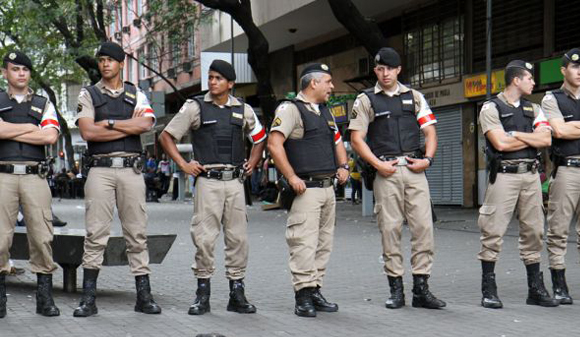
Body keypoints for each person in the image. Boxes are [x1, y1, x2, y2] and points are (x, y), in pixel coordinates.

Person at [159, 60, 266, 315]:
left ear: (231, 84)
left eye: (219, 78)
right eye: (211, 77)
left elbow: (260, 138)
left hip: (235, 182)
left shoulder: (243, 109)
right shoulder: (195, 107)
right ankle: (202, 294)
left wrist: (252, 161)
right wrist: (184, 165)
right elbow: (166, 136)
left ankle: (237, 294)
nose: (213, 81)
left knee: (238, 238)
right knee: (205, 238)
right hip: (208, 182)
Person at [349, 47, 445, 310]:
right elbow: (356, 138)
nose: (385, 73)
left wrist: (428, 159)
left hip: (415, 169)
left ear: (398, 69)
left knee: (424, 228)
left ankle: (421, 290)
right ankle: (396, 289)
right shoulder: (366, 100)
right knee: (390, 229)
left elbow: (430, 131)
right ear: (375, 71)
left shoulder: (414, 97)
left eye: (389, 68)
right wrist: (377, 164)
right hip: (386, 171)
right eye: (380, 69)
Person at [73, 42, 160, 317]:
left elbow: (146, 124)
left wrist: (108, 123)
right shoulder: (88, 94)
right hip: (100, 169)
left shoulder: (136, 93)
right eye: (101, 60)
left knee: (136, 233)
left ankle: (144, 297)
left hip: (131, 171)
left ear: (121, 63)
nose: (105, 64)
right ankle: (88, 298)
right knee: (95, 233)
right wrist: (125, 127)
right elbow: (88, 132)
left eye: (110, 60)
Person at [268, 63, 349, 317]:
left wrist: (344, 165)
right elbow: (274, 143)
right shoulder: (290, 109)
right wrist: (291, 176)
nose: (332, 86)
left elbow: (337, 142)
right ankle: (302, 295)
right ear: (313, 83)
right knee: (303, 243)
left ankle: (315, 290)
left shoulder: (325, 111)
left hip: (327, 188)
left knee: (323, 244)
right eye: (328, 81)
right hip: (306, 189)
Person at [478, 60, 558, 308]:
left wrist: (517, 135)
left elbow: (546, 139)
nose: (533, 82)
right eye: (529, 78)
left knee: (534, 231)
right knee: (493, 231)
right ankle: (488, 290)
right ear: (516, 80)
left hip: (531, 176)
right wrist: (529, 139)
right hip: (504, 175)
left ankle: (535, 289)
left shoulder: (533, 109)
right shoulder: (490, 108)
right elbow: (500, 144)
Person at [0, 51, 61, 317]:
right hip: (3, 176)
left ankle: (44, 297)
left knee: (42, 236)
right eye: (15, 69)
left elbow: (49, 137)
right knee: (0, 239)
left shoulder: (43, 102)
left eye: (25, 69)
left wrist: (10, 128)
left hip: (36, 176)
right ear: (5, 73)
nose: (21, 73)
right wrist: (31, 127)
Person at [541, 48, 580, 303]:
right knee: (559, 228)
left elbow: (567, 128)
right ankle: (559, 281)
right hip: (566, 170)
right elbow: (559, 132)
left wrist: (571, 126)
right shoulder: (551, 99)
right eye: (575, 68)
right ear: (564, 70)